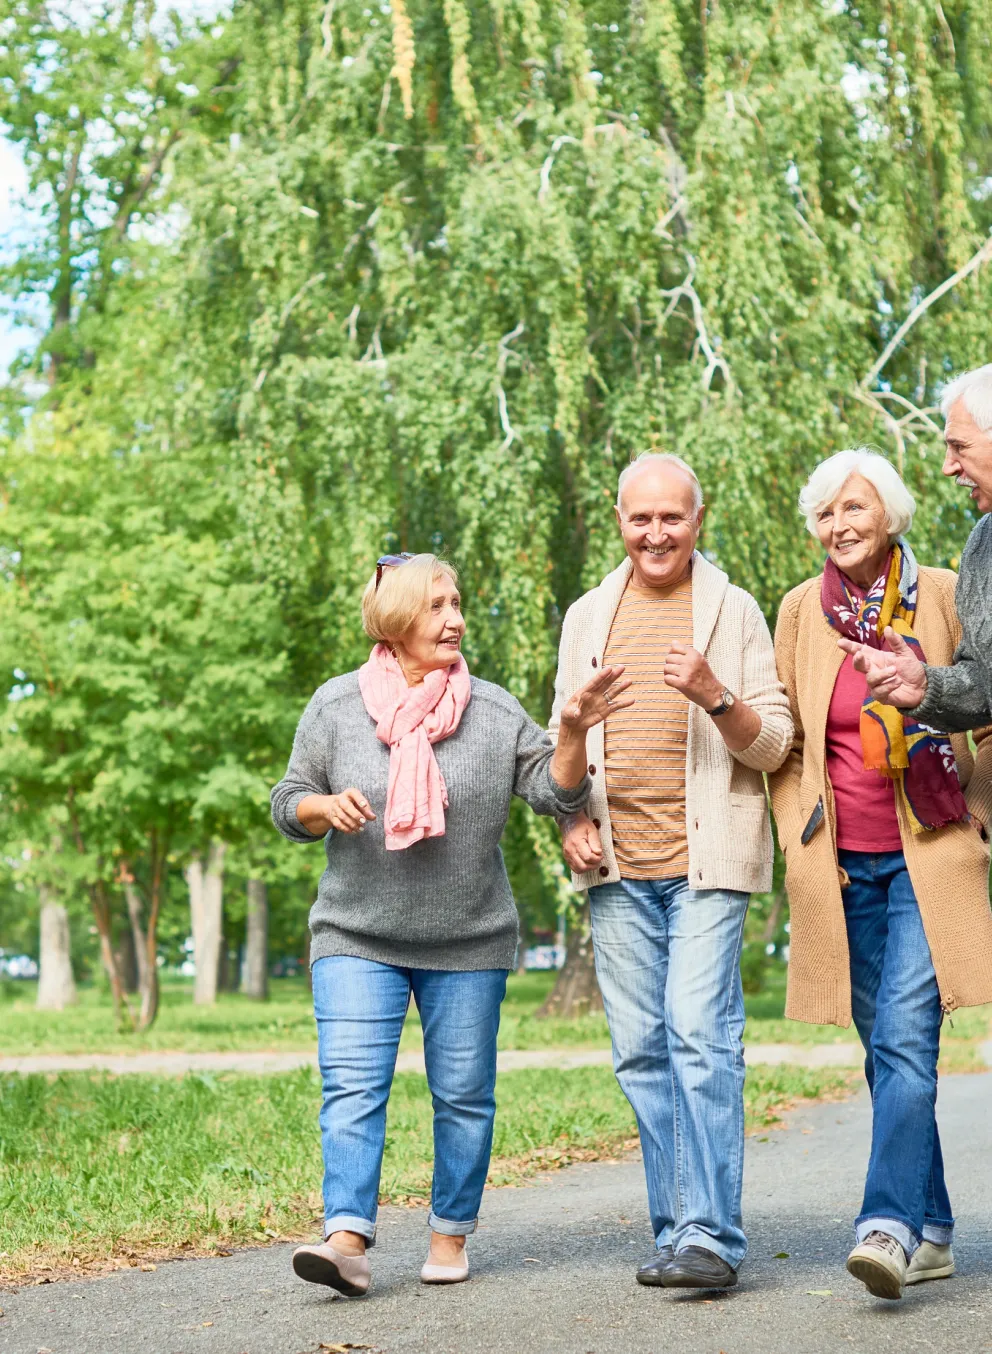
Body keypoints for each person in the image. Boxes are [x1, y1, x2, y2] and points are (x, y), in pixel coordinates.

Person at [271, 552, 628, 1296]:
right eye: (437, 606)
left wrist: (568, 731)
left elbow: (555, 796)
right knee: (352, 1087)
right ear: (397, 620)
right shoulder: (337, 706)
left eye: (457, 603)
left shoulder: (492, 711)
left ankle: (449, 1232)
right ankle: (346, 1241)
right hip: (355, 934)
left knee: (463, 1094)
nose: (456, 618)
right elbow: (288, 799)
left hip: (468, 940)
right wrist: (323, 808)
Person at [550, 453, 793, 1291]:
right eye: (639, 518)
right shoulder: (587, 616)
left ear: (700, 519)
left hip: (708, 861)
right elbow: (562, 762)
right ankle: (676, 1230)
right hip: (616, 866)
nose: (656, 533)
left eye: (672, 518)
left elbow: (774, 745)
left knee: (698, 1033)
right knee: (641, 1053)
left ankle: (712, 1238)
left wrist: (716, 694)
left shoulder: (732, 611)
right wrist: (571, 812)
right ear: (620, 520)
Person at [770, 448, 992, 1301]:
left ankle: (887, 1227)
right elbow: (788, 737)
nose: (839, 525)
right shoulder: (800, 611)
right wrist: (797, 824)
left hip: (928, 852)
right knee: (884, 1049)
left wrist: (983, 807)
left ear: (890, 513)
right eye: (825, 512)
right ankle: (934, 1226)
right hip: (840, 862)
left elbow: (988, 696)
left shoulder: (941, 590)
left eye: (854, 507)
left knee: (903, 1034)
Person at [842, 364, 992, 735]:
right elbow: (984, 687)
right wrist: (925, 685)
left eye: (959, 446)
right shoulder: (981, 544)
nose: (948, 466)